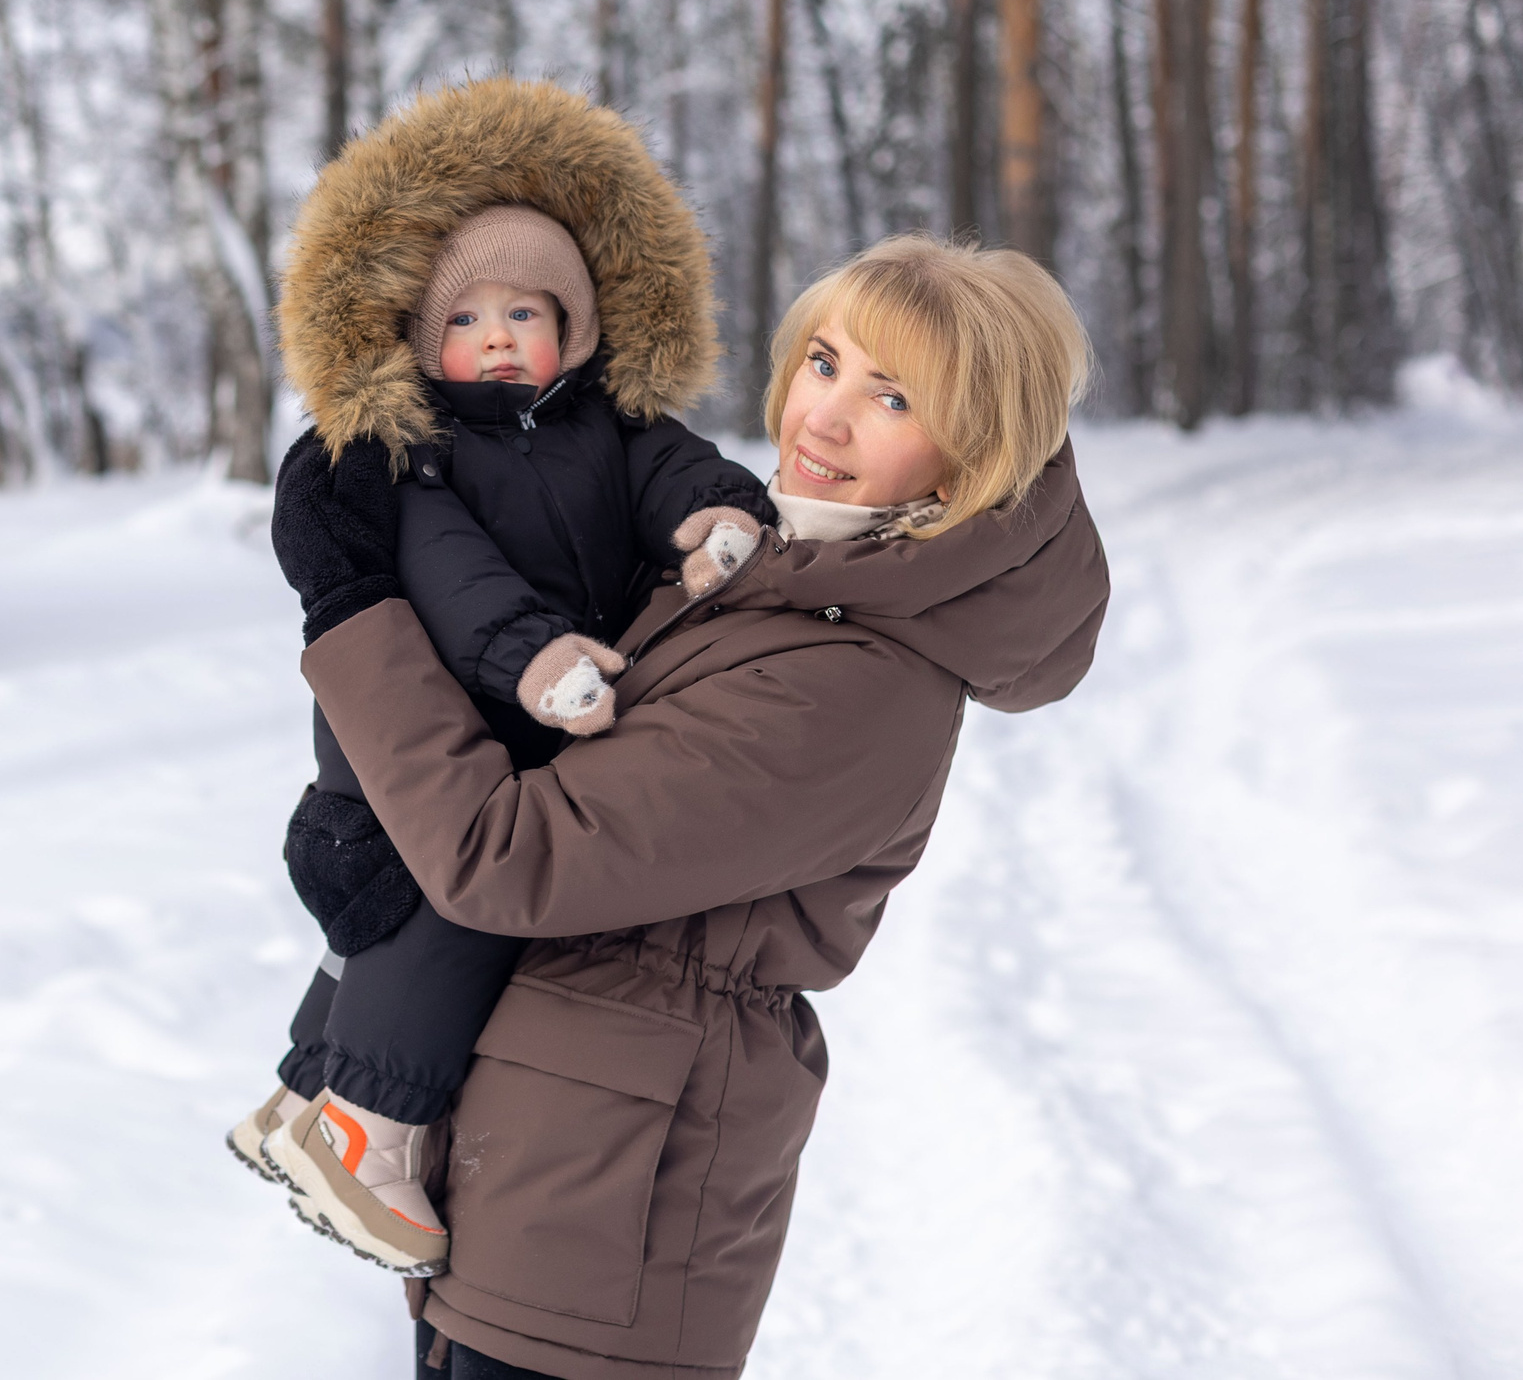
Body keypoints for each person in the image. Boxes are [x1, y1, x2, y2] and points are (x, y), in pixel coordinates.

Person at [272, 230, 1111, 1380]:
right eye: (822, 362)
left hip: (609, 1224)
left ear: (971, 455)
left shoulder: (854, 684)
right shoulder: (752, 581)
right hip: (544, 1174)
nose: (823, 417)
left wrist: (350, 608)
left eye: (892, 396)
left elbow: (511, 859)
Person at [226, 78, 774, 1276]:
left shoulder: (609, 427)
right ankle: (369, 1130)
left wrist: (717, 517)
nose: (496, 340)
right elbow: (450, 575)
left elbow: (677, 471)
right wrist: (529, 658)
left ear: (571, 327)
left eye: (524, 314)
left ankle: (302, 1095)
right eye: (466, 322)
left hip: (547, 714)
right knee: (451, 909)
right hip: (454, 716)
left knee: (406, 914)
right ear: (428, 341)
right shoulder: (413, 459)